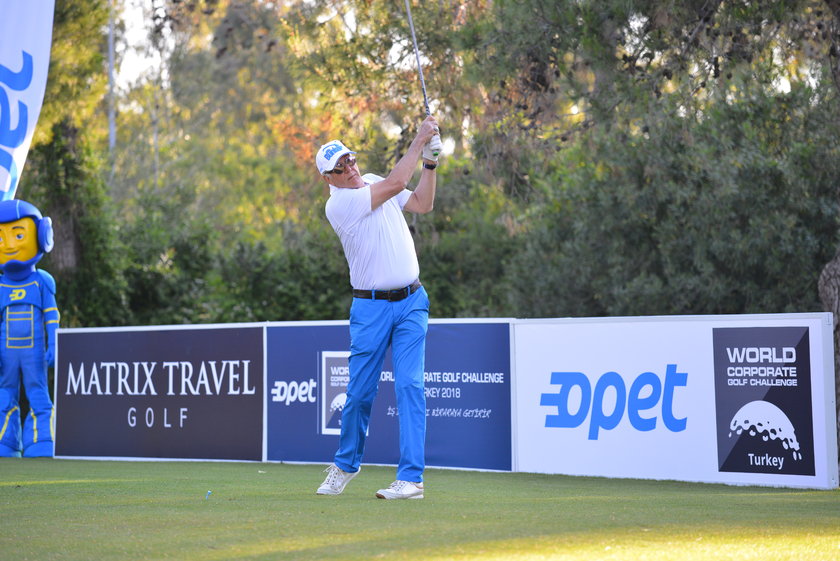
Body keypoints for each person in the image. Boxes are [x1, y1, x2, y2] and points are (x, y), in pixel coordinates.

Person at [315, 115, 440, 499]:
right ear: (329, 178)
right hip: (370, 308)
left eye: (350, 159)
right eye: (341, 167)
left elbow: (422, 203)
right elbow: (398, 183)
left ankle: (411, 479)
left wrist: (430, 164)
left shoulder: (371, 180)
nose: (351, 168)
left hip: (412, 302)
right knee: (359, 393)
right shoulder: (339, 205)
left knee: (411, 386)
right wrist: (420, 140)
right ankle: (345, 465)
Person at [0, 199, 59, 458]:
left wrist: (54, 344)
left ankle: (41, 438)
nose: (9, 244)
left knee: (38, 392)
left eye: (18, 234)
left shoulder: (41, 282)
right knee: (4, 394)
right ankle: (6, 439)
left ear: (42, 236)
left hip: (34, 351)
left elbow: (51, 316)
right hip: (7, 352)